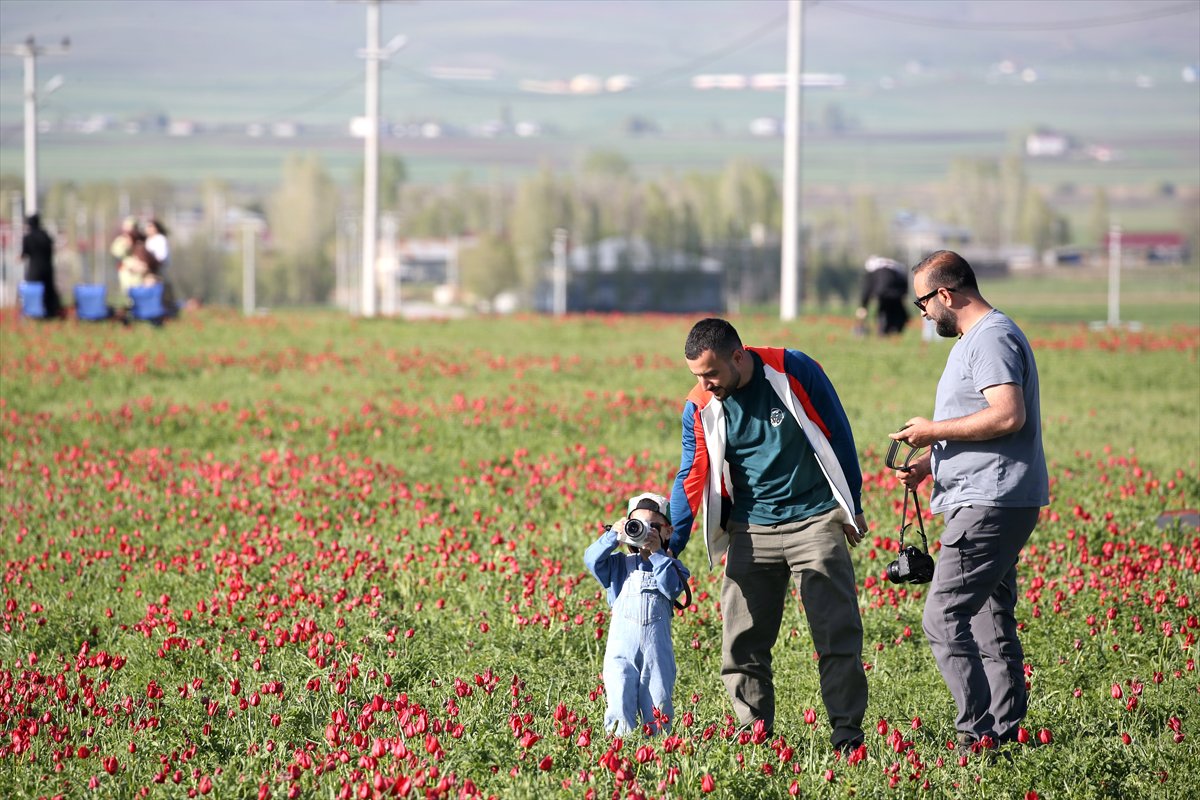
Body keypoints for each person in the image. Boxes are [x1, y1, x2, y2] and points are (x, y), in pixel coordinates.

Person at [669, 318, 868, 755]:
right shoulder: (699, 404)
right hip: (749, 528)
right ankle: (754, 737)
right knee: (742, 644)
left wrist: (851, 505)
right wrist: (671, 544)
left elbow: (838, 434)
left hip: (814, 519)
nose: (704, 384)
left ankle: (847, 737)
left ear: (738, 356)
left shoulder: (793, 370)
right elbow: (691, 473)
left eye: (711, 373)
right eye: (696, 376)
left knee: (837, 636)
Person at [888, 250, 1048, 755]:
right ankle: (1007, 731)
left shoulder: (992, 338)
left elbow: (1007, 416)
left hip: (991, 499)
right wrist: (932, 462)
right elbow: (982, 422)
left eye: (923, 303)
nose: (922, 314)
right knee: (987, 616)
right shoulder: (975, 340)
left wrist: (932, 431)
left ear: (946, 294)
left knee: (942, 616)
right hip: (991, 494)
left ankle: (975, 736)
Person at [584, 492, 690, 736]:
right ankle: (620, 751)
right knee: (619, 702)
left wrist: (657, 555)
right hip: (621, 653)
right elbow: (591, 560)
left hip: (657, 655)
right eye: (639, 525)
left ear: (668, 532)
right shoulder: (619, 565)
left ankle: (657, 752)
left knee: (658, 704)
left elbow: (673, 587)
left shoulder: (672, 566)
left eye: (654, 526)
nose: (647, 532)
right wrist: (613, 536)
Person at [21, 213, 63, 318]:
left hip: (34, 270)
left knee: (33, 291)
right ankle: (51, 312)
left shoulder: (28, 237)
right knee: (48, 291)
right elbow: (53, 250)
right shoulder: (46, 236)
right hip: (47, 269)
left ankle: (33, 312)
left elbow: (24, 254)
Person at [856, 255, 910, 336]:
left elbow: (867, 289)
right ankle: (894, 333)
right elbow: (904, 283)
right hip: (897, 294)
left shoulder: (873, 269)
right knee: (899, 315)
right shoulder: (896, 266)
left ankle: (883, 333)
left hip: (883, 293)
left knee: (883, 314)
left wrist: (864, 306)